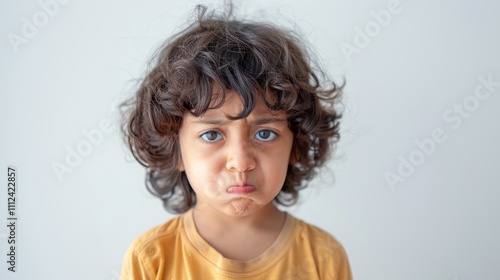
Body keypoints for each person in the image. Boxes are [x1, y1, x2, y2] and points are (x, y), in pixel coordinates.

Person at [119, 3, 352, 279]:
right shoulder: (151, 259)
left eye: (264, 133)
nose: (241, 162)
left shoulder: (322, 257)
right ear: (176, 148)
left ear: (296, 144)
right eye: (211, 135)